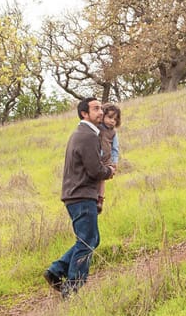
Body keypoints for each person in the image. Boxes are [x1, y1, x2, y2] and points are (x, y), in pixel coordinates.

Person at [43, 97, 115, 299]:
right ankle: (73, 289)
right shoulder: (87, 135)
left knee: (91, 239)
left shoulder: (83, 133)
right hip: (81, 195)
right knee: (87, 241)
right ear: (84, 113)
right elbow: (94, 170)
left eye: (101, 108)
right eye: (96, 109)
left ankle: (56, 271)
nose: (101, 112)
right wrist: (109, 171)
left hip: (77, 195)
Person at [97, 102, 121, 214]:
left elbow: (115, 149)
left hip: (106, 160)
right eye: (110, 117)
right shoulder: (98, 128)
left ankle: (100, 199)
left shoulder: (113, 133)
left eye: (115, 119)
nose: (112, 121)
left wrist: (114, 163)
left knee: (102, 180)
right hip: (96, 158)